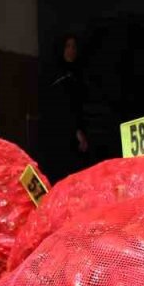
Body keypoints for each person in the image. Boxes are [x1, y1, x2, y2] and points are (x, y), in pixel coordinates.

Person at [43, 34, 89, 180]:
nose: (71, 50)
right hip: (61, 133)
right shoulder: (57, 74)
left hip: (76, 132)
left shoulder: (78, 74)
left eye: (74, 47)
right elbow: (62, 105)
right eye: (68, 46)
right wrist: (76, 131)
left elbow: (78, 105)